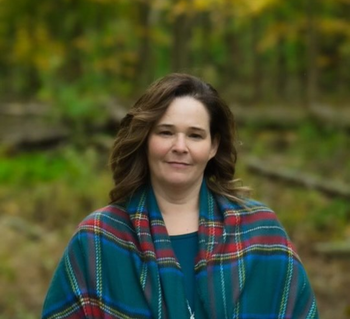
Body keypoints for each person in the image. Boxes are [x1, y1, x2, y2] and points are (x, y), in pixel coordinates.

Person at [42, 73, 319, 319]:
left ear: (213, 146)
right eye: (166, 132)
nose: (180, 146)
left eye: (195, 135)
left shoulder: (261, 233)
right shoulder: (99, 237)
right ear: (145, 139)